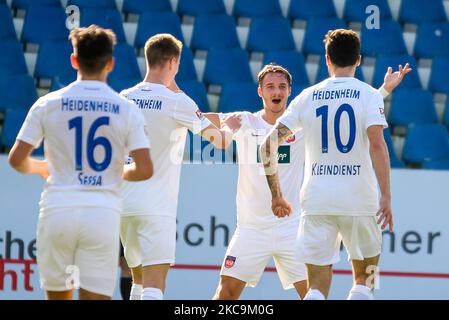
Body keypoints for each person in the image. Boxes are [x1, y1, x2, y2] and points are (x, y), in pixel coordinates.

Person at [208, 57, 410, 300]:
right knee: (226, 293)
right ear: (260, 91)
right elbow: (198, 119)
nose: (277, 92)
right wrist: (177, 107)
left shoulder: (301, 124)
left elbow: (346, 113)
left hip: (291, 227)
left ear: (289, 91)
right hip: (252, 228)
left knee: (312, 292)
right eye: (270, 87)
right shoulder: (243, 121)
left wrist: (385, 89)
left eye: (282, 87)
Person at [8, 25, 153, 300]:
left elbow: (17, 159)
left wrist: (40, 168)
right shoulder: (126, 108)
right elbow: (144, 169)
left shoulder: (48, 103)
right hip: (102, 213)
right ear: (110, 63)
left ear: (74, 60)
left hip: (57, 209)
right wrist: (113, 173)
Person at [260, 29, 405, 300]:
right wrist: (386, 196)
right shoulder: (369, 95)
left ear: (327, 59)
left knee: (315, 289)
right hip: (359, 200)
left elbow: (267, 146)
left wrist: (276, 195)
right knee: (365, 279)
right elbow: (377, 144)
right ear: (359, 60)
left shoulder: (307, 97)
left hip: (317, 200)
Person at [119, 33, 233, 300]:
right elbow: (220, 142)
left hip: (124, 201)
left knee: (137, 280)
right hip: (156, 206)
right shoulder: (177, 101)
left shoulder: (123, 97)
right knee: (155, 286)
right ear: (173, 62)